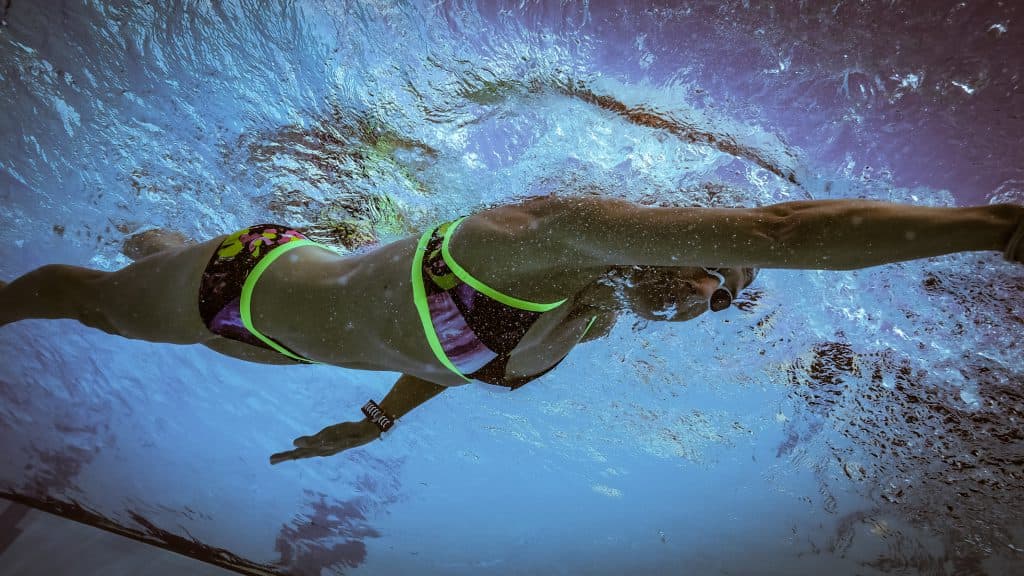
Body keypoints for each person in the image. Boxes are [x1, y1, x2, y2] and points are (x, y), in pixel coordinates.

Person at [2, 194, 1022, 464]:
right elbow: (783, 229)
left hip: (273, 339)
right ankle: (147, 239)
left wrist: (378, 420)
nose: (709, 298)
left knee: (146, 257)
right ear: (673, 232)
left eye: (726, 300)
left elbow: (446, 357)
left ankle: (152, 231)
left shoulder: (588, 318)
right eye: (715, 268)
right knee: (77, 292)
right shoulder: (530, 241)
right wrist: (992, 229)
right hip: (238, 290)